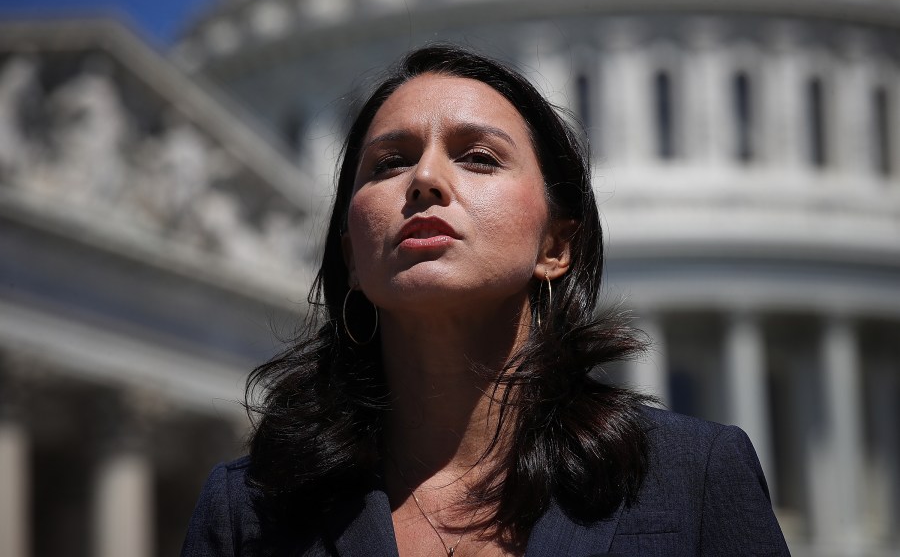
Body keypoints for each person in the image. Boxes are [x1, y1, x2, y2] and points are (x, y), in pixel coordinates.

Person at [181, 45, 790, 557]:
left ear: (555, 245)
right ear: (351, 258)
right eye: (390, 162)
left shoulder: (696, 478)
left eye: (478, 157)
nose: (426, 179)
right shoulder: (252, 514)